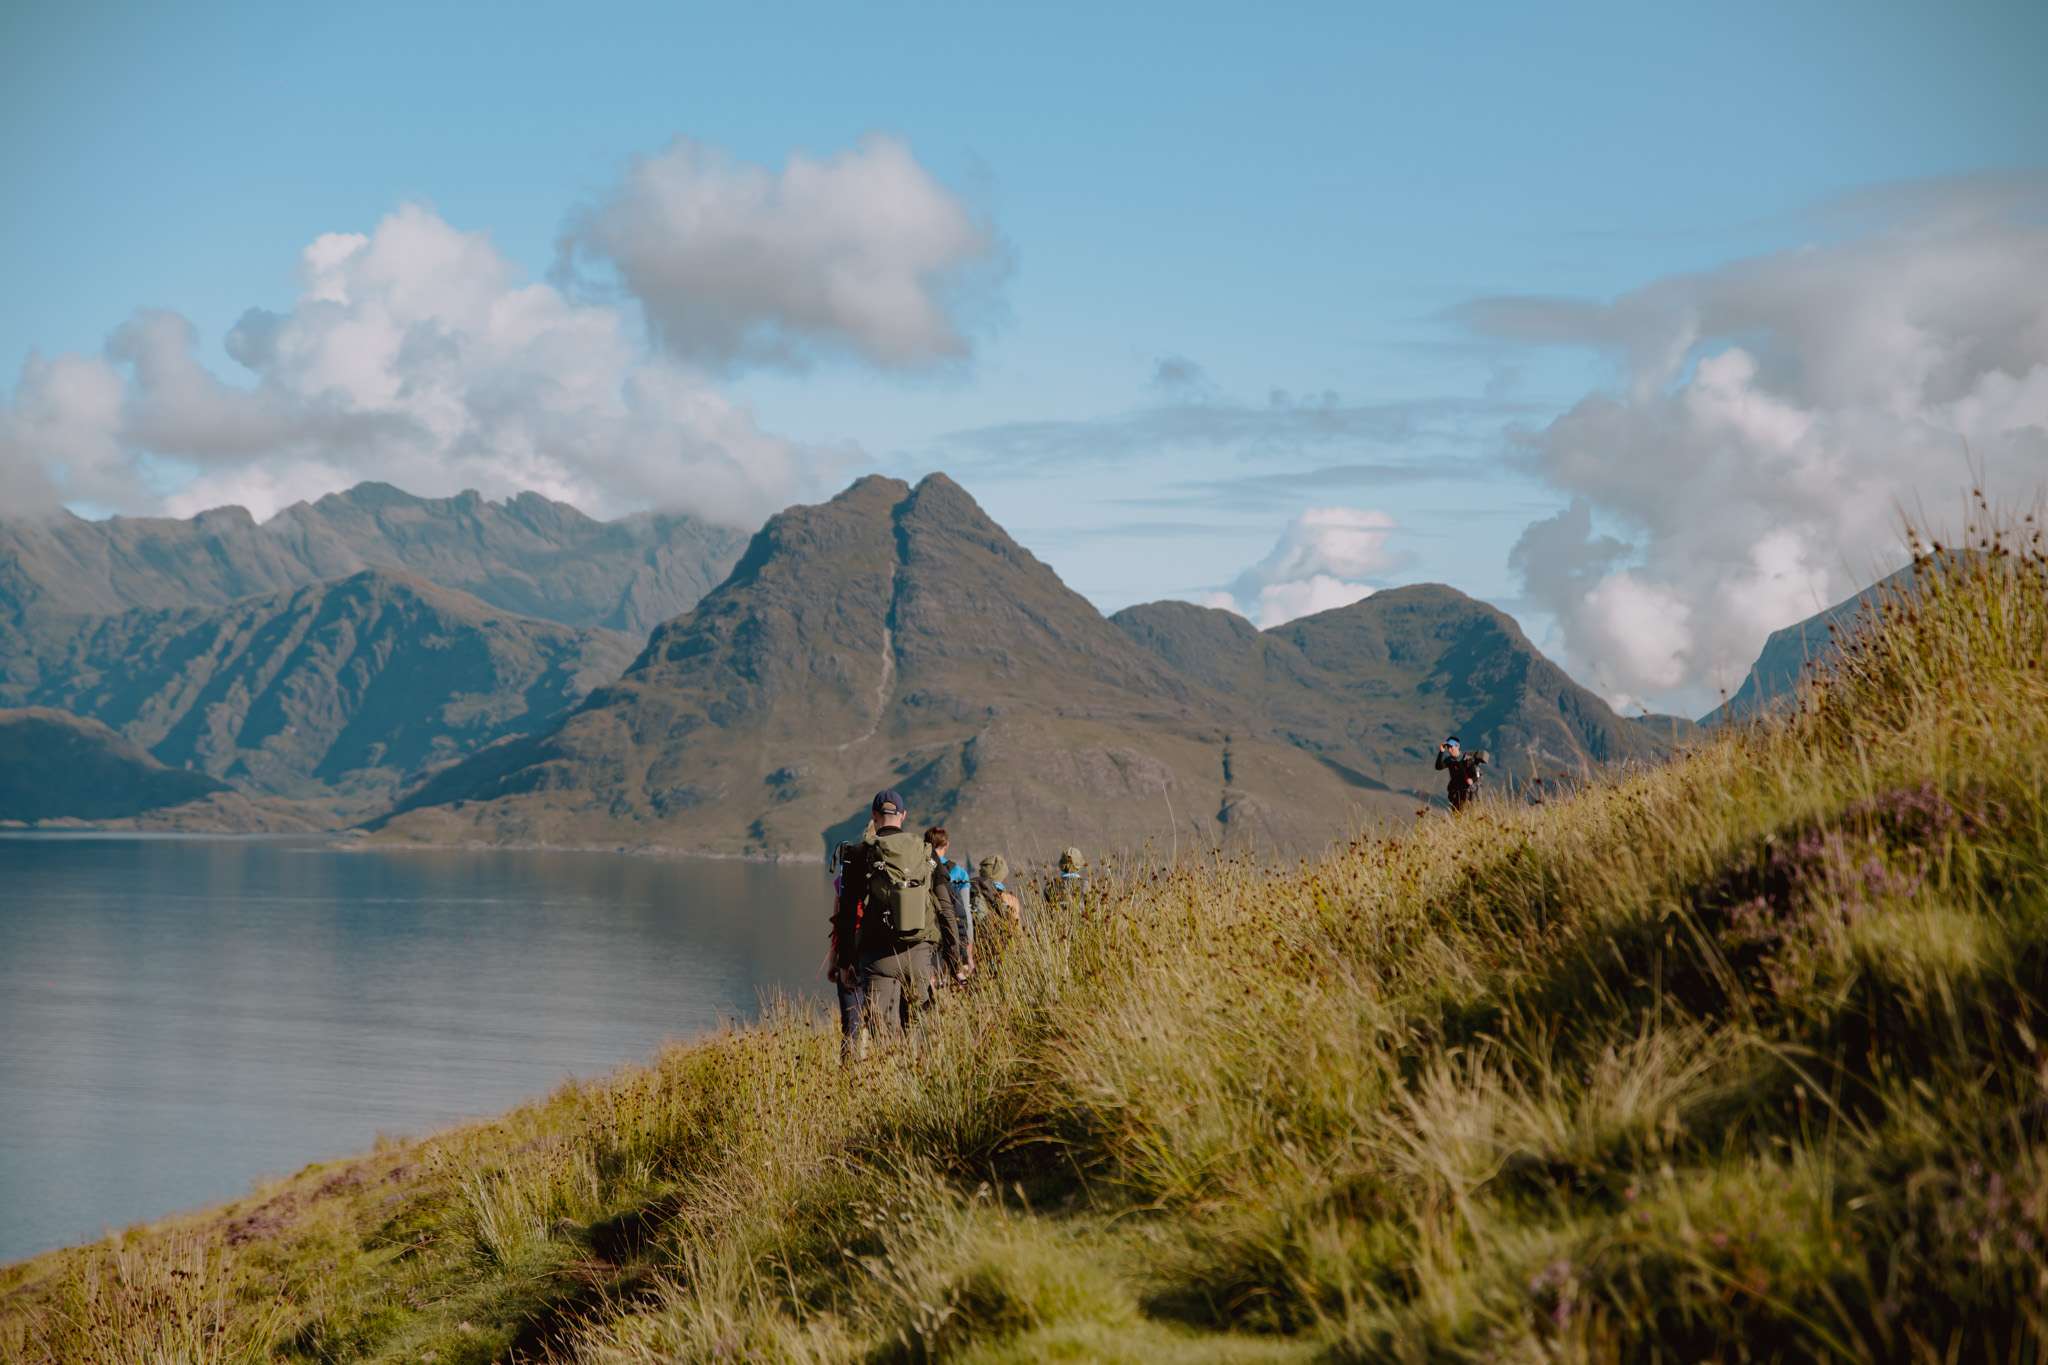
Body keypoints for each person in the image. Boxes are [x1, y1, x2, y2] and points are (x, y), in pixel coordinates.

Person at [832, 790, 957, 1045]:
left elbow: (847, 913)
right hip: (920, 953)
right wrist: (955, 956)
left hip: (877, 957)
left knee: (884, 1038)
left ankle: (892, 1067)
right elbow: (946, 906)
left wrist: (845, 962)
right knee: (920, 1033)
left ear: (874, 815)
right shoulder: (926, 852)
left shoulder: (860, 852)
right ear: (903, 815)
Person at [827, 835, 869, 1063]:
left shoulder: (843, 881)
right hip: (880, 957)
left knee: (851, 1023)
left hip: (849, 956)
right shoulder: (887, 875)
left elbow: (839, 925)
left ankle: (849, 1071)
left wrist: (834, 961)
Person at [925, 826, 974, 984]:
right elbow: (964, 913)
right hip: (951, 937)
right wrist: (967, 953)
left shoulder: (920, 868)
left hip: (926, 939)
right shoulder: (958, 873)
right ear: (946, 845)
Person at [1435, 735, 1487, 812]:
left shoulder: (1467, 759)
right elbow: (1438, 767)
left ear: (1457, 746)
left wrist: (1472, 780)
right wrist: (1441, 752)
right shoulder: (1449, 760)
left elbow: (1476, 775)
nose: (1449, 749)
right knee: (1456, 815)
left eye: (1451, 747)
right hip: (1455, 793)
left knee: (1466, 814)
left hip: (1467, 793)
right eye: (1448, 747)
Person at [1044, 846, 1088, 911]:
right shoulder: (1086, 885)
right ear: (1079, 865)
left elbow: (1046, 909)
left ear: (1061, 865)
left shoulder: (1050, 886)